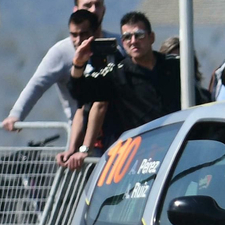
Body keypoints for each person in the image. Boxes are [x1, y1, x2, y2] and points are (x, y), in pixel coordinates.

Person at [2, 0, 112, 134]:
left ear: (104, 9)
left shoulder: (117, 45)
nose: (93, 10)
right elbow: (37, 84)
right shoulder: (62, 51)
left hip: (121, 134)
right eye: (87, 5)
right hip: (81, 135)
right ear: (76, 11)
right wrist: (16, 115)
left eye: (97, 5)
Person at [69, 12, 184, 145]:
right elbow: (80, 92)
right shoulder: (117, 74)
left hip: (178, 144)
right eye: (127, 37)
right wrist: (78, 64)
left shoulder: (176, 65)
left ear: (151, 37)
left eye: (139, 35)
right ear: (123, 43)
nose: (133, 41)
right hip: (142, 150)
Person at [54, 9, 121, 169]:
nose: (78, 40)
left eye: (83, 34)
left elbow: (100, 104)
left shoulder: (110, 58)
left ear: (96, 32)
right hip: (94, 145)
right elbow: (81, 107)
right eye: (73, 35)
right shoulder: (81, 61)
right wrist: (71, 149)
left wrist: (85, 149)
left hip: (114, 143)